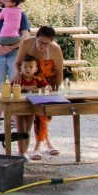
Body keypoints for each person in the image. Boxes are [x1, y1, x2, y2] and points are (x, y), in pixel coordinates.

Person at [15, 26, 65, 156]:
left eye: (46, 44)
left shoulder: (55, 49)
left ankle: (40, 144)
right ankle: (29, 147)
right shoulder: (26, 43)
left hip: (46, 81)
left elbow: (59, 70)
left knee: (43, 114)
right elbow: (18, 63)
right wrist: (18, 75)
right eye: (40, 42)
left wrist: (56, 89)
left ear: (51, 42)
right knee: (29, 114)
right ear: (35, 38)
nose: (42, 45)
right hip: (29, 78)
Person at [0, 0, 30, 90]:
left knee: (15, 82)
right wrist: (0, 47)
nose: (0, 0)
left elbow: (25, 35)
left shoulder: (21, 14)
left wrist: (11, 47)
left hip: (15, 52)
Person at [15, 55, 50, 159]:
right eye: (25, 67)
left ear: (36, 69)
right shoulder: (18, 79)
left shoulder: (38, 79)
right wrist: (23, 88)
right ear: (21, 68)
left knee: (28, 130)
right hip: (17, 107)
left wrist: (39, 90)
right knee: (20, 129)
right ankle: (20, 152)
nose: (28, 69)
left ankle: (24, 152)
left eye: (31, 67)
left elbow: (48, 87)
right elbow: (10, 88)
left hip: (31, 107)